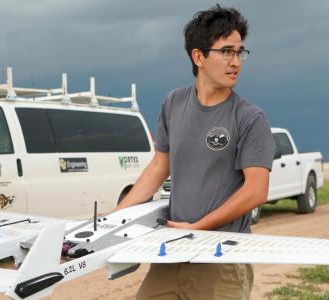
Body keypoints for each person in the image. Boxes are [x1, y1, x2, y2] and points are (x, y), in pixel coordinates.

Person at [115, 4, 274, 299]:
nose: (235, 61)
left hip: (221, 258)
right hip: (171, 252)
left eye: (240, 52)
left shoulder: (249, 118)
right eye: (226, 51)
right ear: (198, 56)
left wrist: (198, 227)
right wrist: (115, 218)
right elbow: (159, 167)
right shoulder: (173, 103)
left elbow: (256, 191)